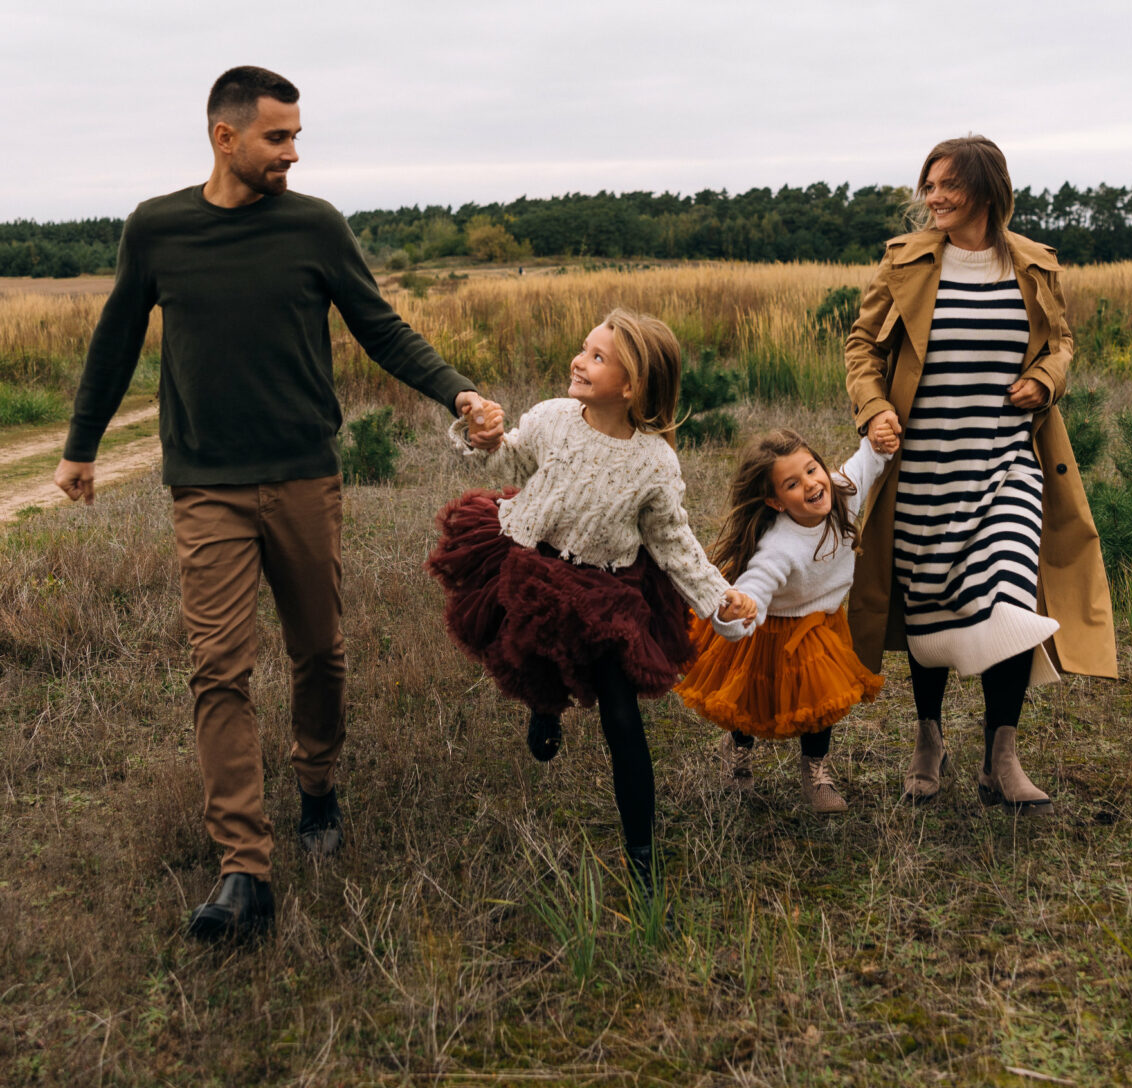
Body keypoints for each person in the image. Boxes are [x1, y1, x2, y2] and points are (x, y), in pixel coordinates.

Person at [54, 65, 502, 945]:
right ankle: (243, 868)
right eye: (277, 136)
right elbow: (115, 340)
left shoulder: (314, 226)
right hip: (206, 484)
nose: (293, 152)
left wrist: (456, 391)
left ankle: (318, 784)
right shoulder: (157, 229)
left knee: (318, 653)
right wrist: (80, 445)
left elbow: (380, 326)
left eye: (297, 135)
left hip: (302, 475)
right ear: (224, 137)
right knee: (219, 668)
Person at [425, 308, 756, 893]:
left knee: (621, 717)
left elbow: (673, 543)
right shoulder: (552, 418)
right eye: (584, 348)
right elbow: (511, 462)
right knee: (534, 652)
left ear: (630, 386)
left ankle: (642, 857)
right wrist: (488, 437)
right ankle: (544, 706)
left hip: (607, 589)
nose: (579, 361)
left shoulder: (654, 461)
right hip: (534, 567)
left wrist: (718, 599)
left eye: (597, 357)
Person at [844, 134, 1117, 812]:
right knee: (930, 606)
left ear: (986, 190)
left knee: (1010, 600)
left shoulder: (1034, 264)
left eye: (948, 185)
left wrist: (1045, 378)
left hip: (1006, 463)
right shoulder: (905, 261)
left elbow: (1060, 342)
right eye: (929, 184)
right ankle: (928, 739)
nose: (932, 197)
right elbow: (862, 346)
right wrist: (874, 409)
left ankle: (1003, 755)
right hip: (923, 468)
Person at [675, 429, 894, 811]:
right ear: (775, 501)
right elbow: (755, 588)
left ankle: (815, 769)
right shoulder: (778, 547)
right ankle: (738, 747)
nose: (810, 484)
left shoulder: (842, 492)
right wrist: (738, 610)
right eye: (792, 484)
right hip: (770, 628)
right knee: (750, 698)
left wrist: (879, 438)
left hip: (820, 623)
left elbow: (866, 462)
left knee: (821, 696)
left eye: (811, 470)